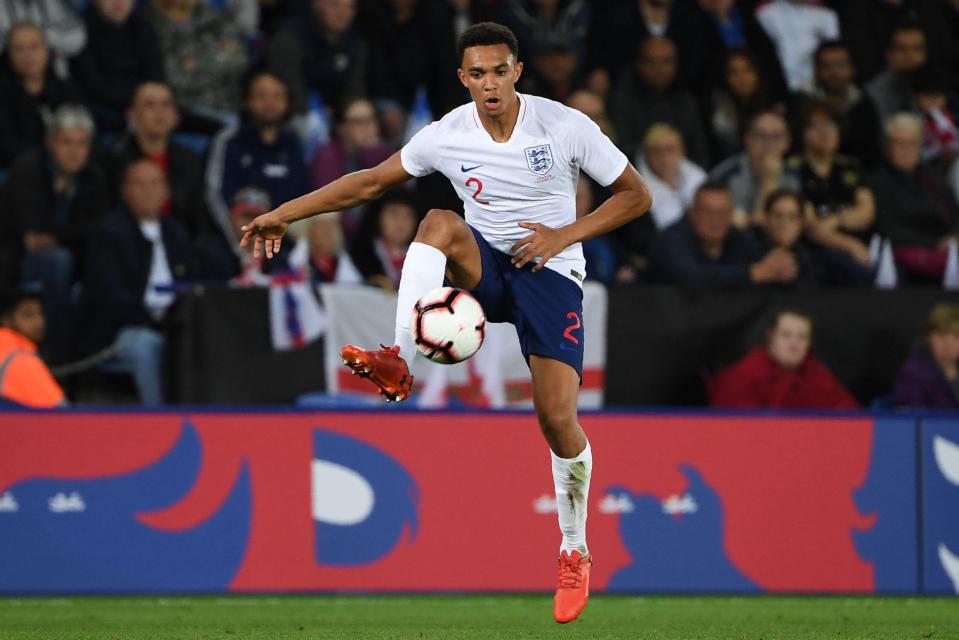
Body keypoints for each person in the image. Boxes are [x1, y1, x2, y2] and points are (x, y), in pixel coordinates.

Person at [239, 22, 651, 624]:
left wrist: (563, 234)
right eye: (476, 73)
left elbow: (635, 195)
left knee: (557, 418)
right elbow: (371, 183)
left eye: (499, 71)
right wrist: (283, 213)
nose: (489, 83)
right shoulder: (447, 133)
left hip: (550, 274)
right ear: (463, 78)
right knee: (436, 218)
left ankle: (574, 549)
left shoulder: (565, 125)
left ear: (517, 71)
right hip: (484, 264)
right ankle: (398, 355)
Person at [78, 158, 193, 406]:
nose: (148, 191)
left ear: (166, 190)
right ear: (125, 191)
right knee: (146, 348)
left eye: (155, 183)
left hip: (173, 321)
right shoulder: (109, 233)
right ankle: (160, 420)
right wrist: (151, 319)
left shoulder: (176, 233)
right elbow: (109, 294)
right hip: (126, 327)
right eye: (139, 184)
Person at [7, 104, 110, 364]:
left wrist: (60, 237)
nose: (75, 151)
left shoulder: (94, 178)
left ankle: (88, 354)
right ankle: (57, 357)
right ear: (50, 143)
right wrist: (70, 237)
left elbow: (97, 228)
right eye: (67, 142)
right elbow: (30, 233)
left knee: (101, 260)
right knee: (57, 261)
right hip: (16, 259)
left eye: (82, 143)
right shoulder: (27, 170)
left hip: (78, 258)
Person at [649, 181, 797, 288]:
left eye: (722, 213)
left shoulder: (738, 238)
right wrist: (753, 273)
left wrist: (780, 266)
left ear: (731, 214)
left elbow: (763, 263)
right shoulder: (671, 240)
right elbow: (691, 277)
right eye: (708, 212)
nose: (715, 220)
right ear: (693, 213)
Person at [709, 307, 858, 409]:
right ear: (771, 337)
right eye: (786, 335)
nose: (795, 343)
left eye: (802, 337)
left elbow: (849, 417)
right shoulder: (744, 375)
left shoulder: (818, 374)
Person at [0, 288, 66, 408]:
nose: (38, 322)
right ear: (7, 320)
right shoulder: (19, 358)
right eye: (28, 315)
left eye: (40, 314)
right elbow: (59, 413)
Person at [894, 303, 959, 409]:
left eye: (956, 336)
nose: (949, 344)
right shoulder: (914, 373)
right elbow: (915, 418)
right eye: (942, 335)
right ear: (928, 338)